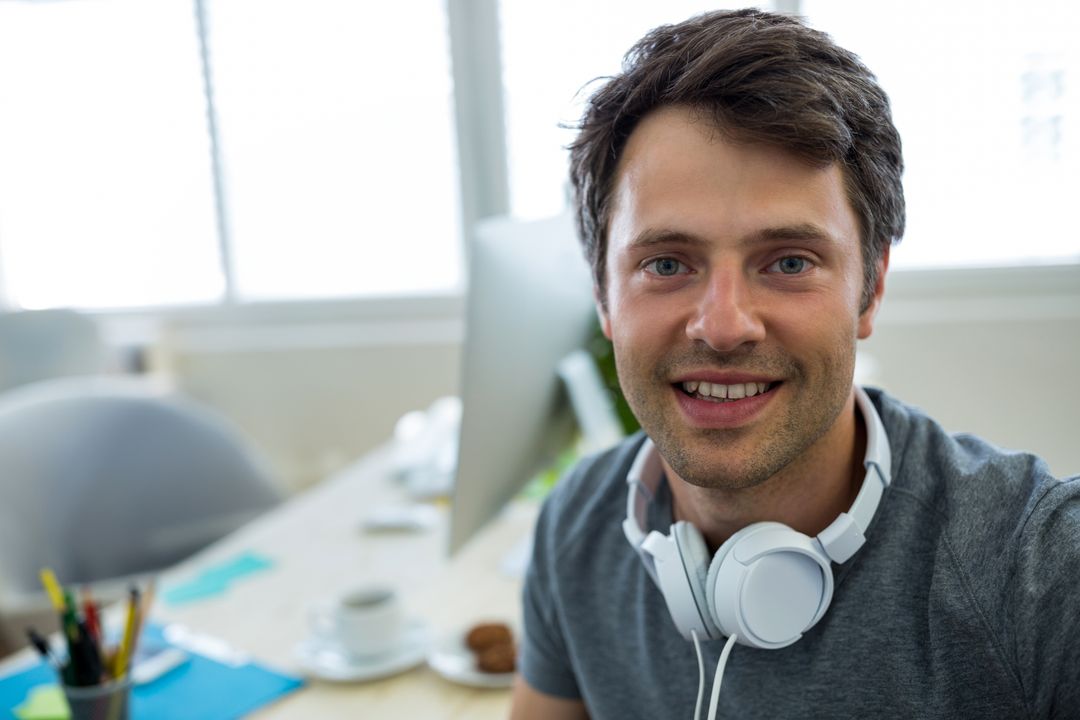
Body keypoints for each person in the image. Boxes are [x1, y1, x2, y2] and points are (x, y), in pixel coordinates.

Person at [510, 9, 1080, 720]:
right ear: (602, 295)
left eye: (788, 261)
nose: (722, 326)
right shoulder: (576, 528)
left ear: (869, 287)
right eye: (665, 263)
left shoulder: (1043, 573)